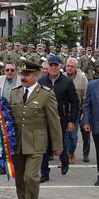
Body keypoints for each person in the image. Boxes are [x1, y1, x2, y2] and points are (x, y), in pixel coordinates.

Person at [11, 59, 62, 199]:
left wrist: (57, 145)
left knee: (31, 177)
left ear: (36, 75)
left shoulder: (46, 94)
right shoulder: (15, 93)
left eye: (27, 74)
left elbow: (54, 121)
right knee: (19, 179)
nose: (23, 77)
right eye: (22, 74)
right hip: (17, 143)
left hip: (36, 143)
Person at [38, 55, 79, 183]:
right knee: (43, 146)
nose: (54, 67)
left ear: (60, 66)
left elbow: (75, 102)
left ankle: (65, 160)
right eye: (51, 65)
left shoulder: (67, 82)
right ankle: (44, 173)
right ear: (47, 67)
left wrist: (72, 120)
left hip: (61, 119)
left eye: (56, 65)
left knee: (59, 144)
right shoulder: (42, 82)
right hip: (44, 120)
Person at [64, 58, 89, 164]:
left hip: (77, 111)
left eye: (72, 66)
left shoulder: (82, 79)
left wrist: (84, 111)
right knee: (64, 136)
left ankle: (71, 152)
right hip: (63, 111)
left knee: (73, 136)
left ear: (76, 67)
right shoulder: (61, 77)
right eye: (68, 66)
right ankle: (64, 157)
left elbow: (86, 96)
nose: (69, 68)